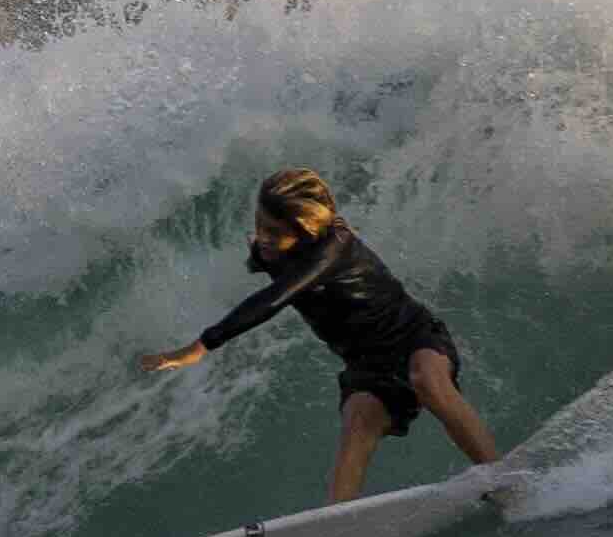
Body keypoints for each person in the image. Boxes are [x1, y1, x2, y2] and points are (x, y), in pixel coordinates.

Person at [144, 168, 509, 500]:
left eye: (274, 232)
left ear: (306, 229)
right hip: (368, 366)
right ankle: (335, 526)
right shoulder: (271, 251)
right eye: (259, 226)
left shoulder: (334, 247)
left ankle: (501, 480)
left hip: (414, 338)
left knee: (426, 379)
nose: (262, 238)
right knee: (357, 426)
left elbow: (275, 298)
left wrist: (201, 345)